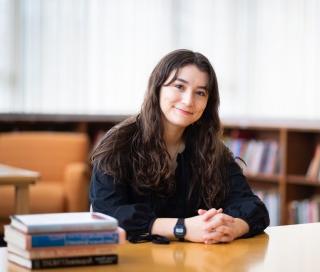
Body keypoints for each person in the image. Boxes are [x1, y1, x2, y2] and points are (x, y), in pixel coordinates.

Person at [89, 49, 269, 244]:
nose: (189, 101)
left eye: (200, 92)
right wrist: (182, 227)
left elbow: (253, 207)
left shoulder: (211, 148)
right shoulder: (119, 143)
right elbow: (106, 213)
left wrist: (232, 227)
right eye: (179, 87)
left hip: (195, 260)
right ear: (157, 88)